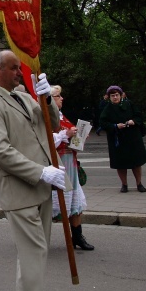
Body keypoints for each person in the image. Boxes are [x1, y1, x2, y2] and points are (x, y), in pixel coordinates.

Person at [0, 50, 66, 291]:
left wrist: (46, 99)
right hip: (19, 189)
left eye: (19, 67)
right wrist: (41, 172)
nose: (19, 72)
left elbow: (53, 125)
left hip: (43, 186)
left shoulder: (26, 97)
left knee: (38, 252)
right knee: (34, 252)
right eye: (14, 68)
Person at [49, 86, 94, 251]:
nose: (62, 99)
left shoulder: (62, 116)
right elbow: (45, 141)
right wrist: (66, 135)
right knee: (52, 205)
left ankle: (77, 237)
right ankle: (35, 237)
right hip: (57, 163)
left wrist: (79, 136)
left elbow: (70, 137)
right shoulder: (46, 118)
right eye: (58, 96)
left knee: (75, 202)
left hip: (70, 162)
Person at [99, 86, 146, 193]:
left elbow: (139, 115)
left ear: (121, 95)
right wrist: (115, 126)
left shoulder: (129, 104)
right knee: (120, 163)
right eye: (112, 96)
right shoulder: (107, 108)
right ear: (109, 97)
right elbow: (103, 123)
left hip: (133, 137)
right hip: (117, 140)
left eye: (117, 95)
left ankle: (139, 183)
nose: (115, 97)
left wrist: (133, 121)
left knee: (136, 162)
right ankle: (124, 184)